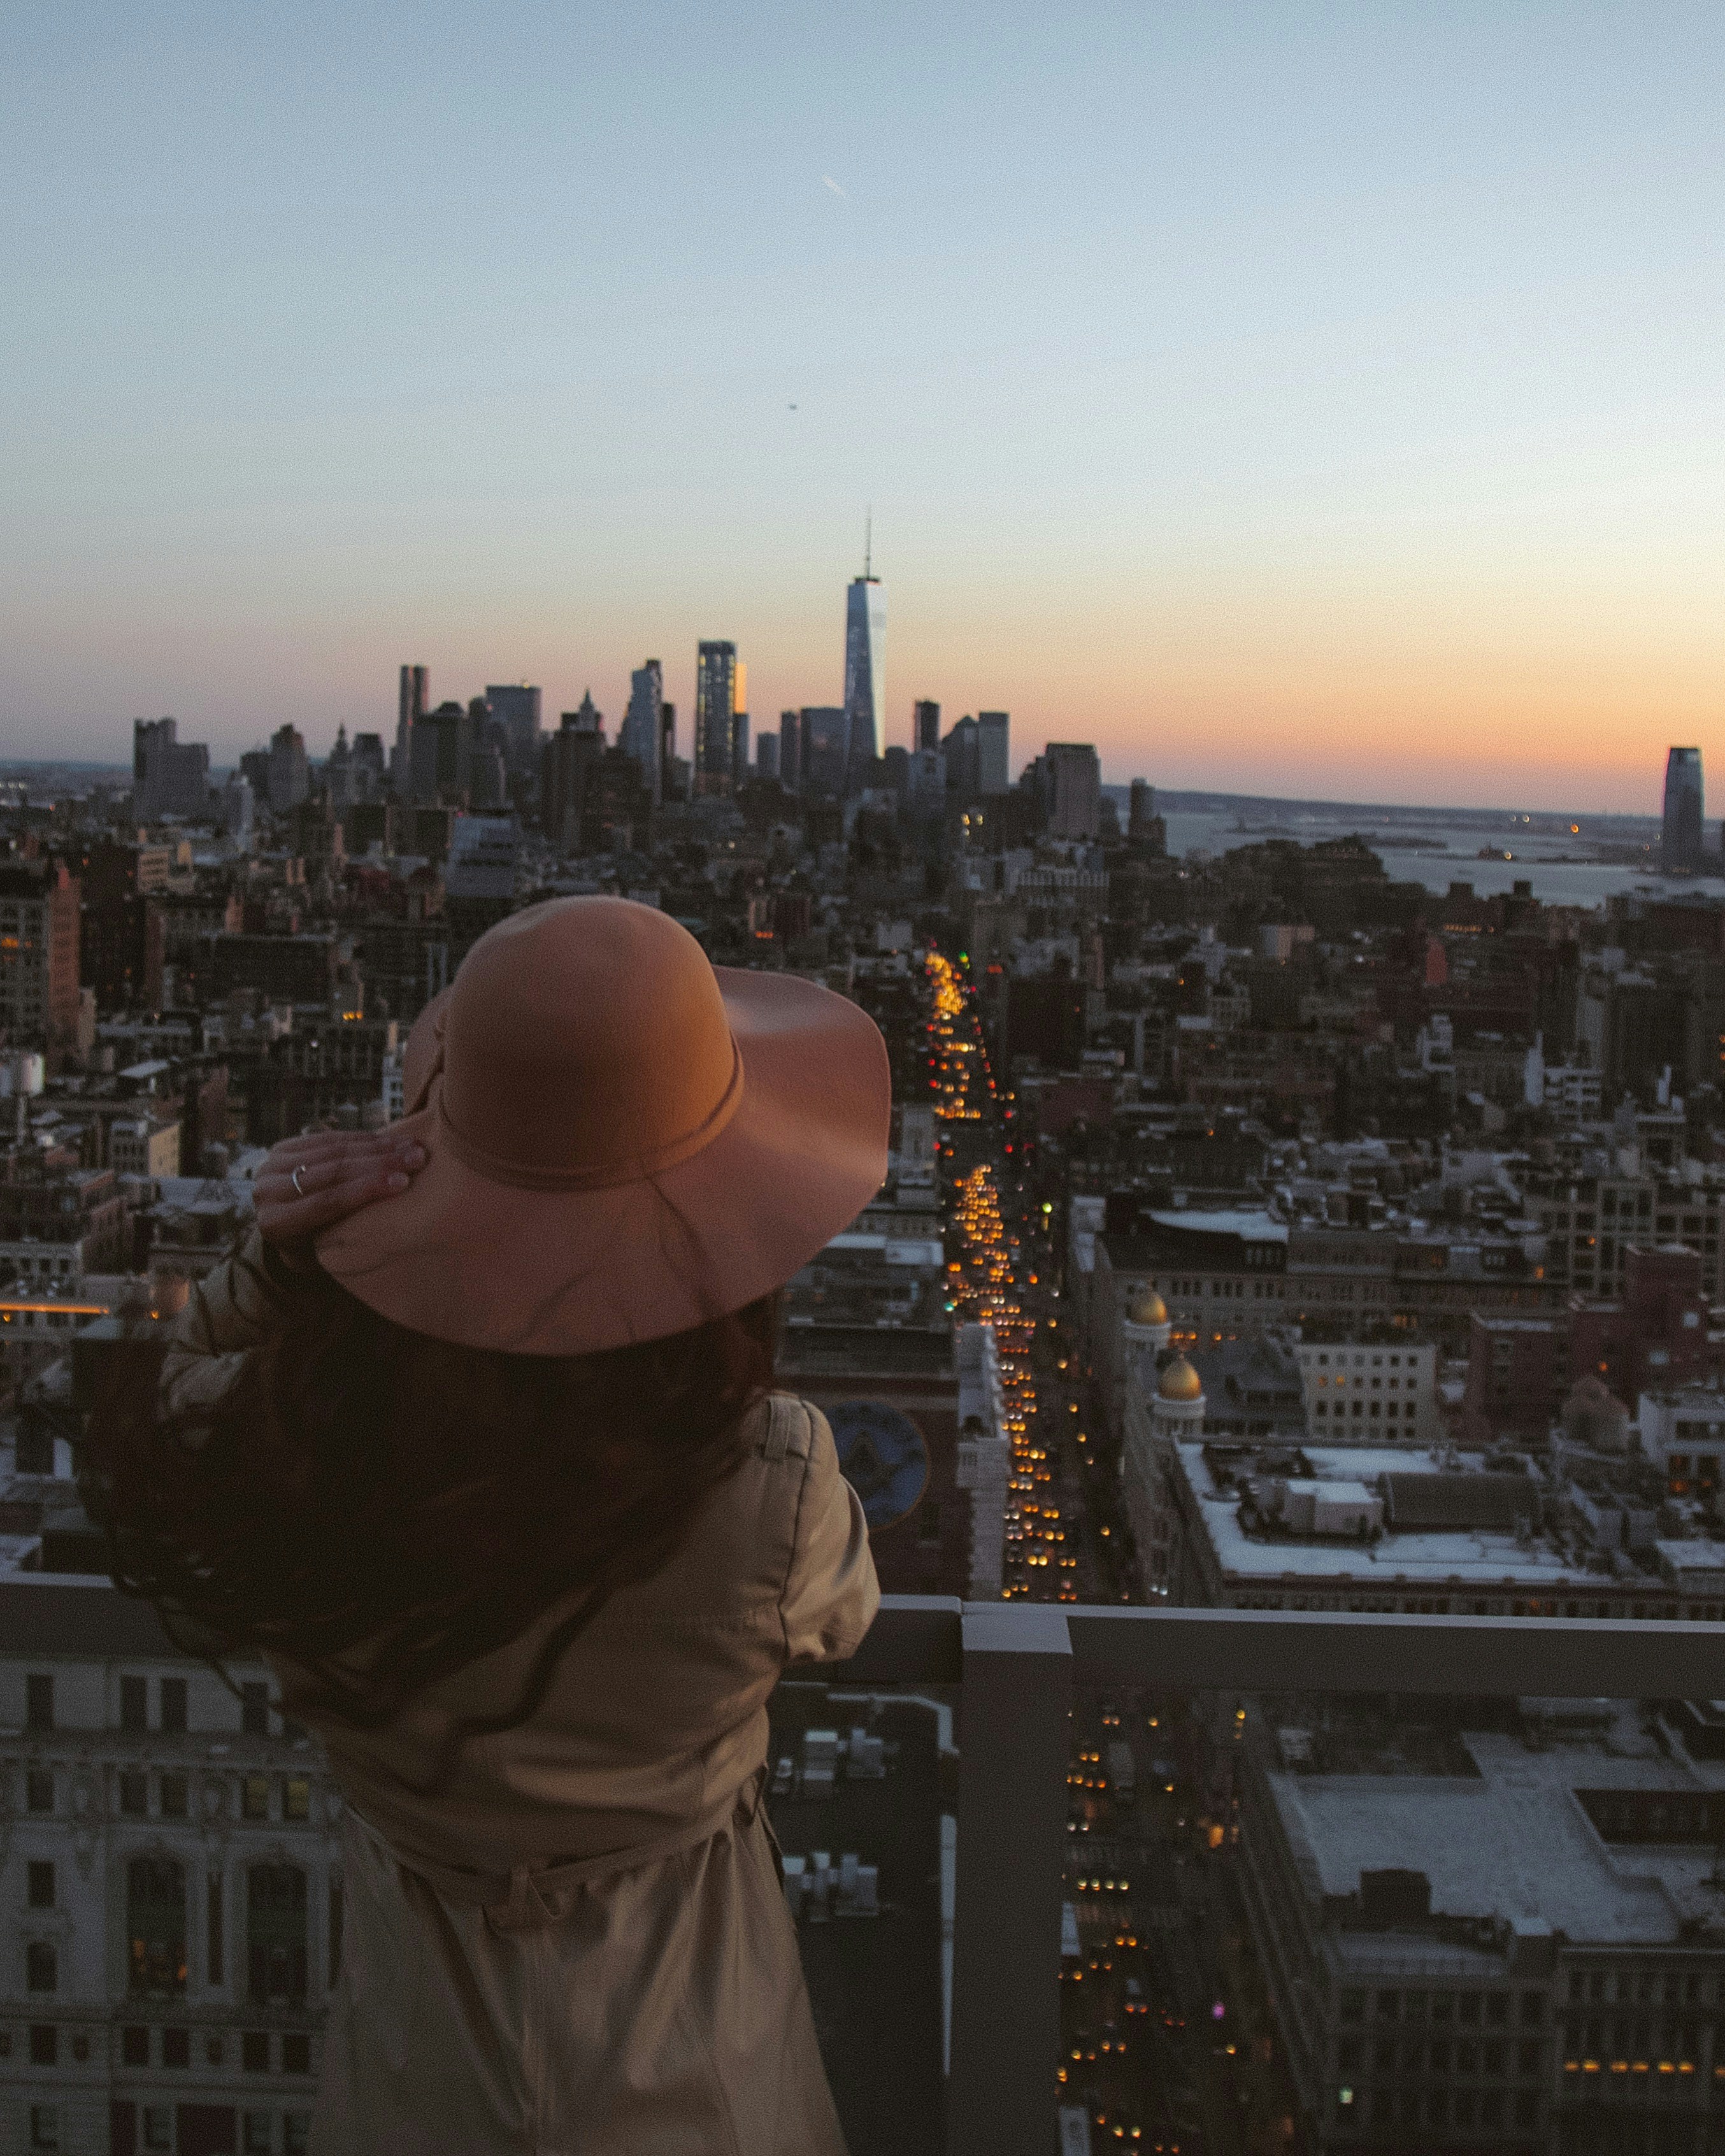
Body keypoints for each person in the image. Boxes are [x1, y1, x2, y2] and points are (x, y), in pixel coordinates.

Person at [86, 896, 892, 2155]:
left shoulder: (296, 1450)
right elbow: (841, 1617)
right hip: (693, 2069)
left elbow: (184, 1405)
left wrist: (279, 1263)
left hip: (417, 2067)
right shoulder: (762, 1482)